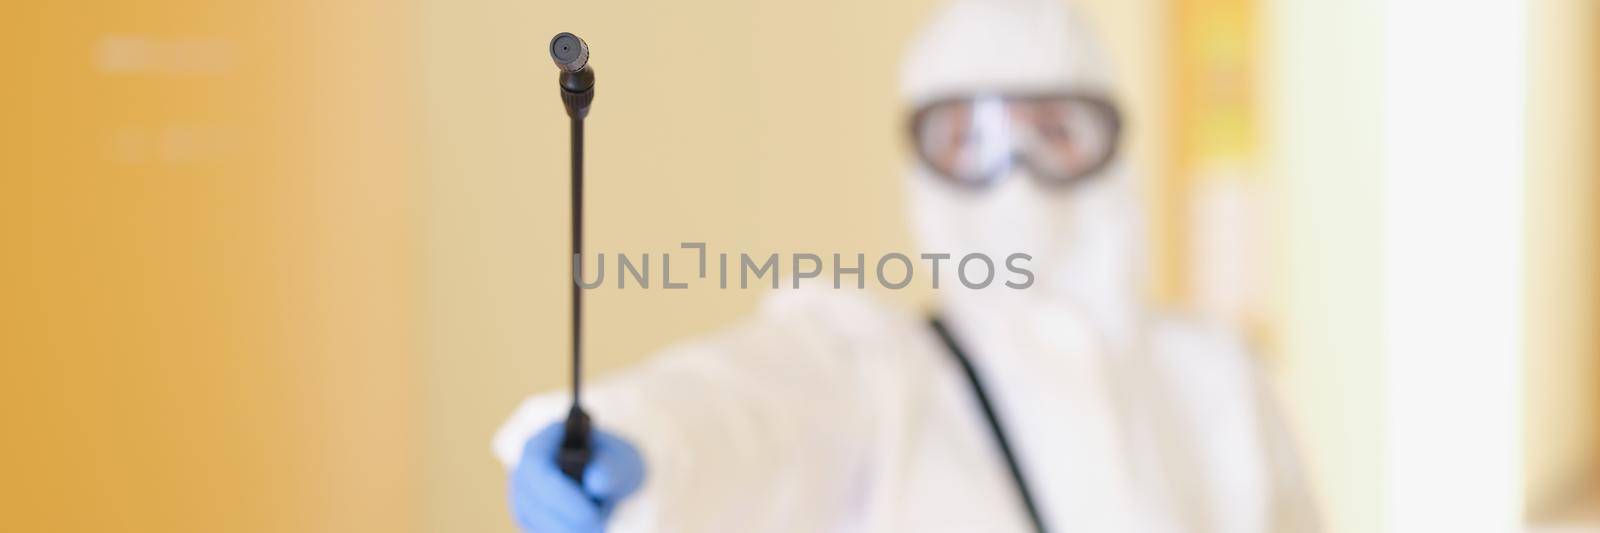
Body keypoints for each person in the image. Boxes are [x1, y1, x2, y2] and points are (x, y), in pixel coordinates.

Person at [495, 0, 1319, 531]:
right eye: (971, 141)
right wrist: (637, 439)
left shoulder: (1219, 378)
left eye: (1055, 131)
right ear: (923, 161)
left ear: (1112, 145)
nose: (1016, 176)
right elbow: (750, 410)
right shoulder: (879, 373)